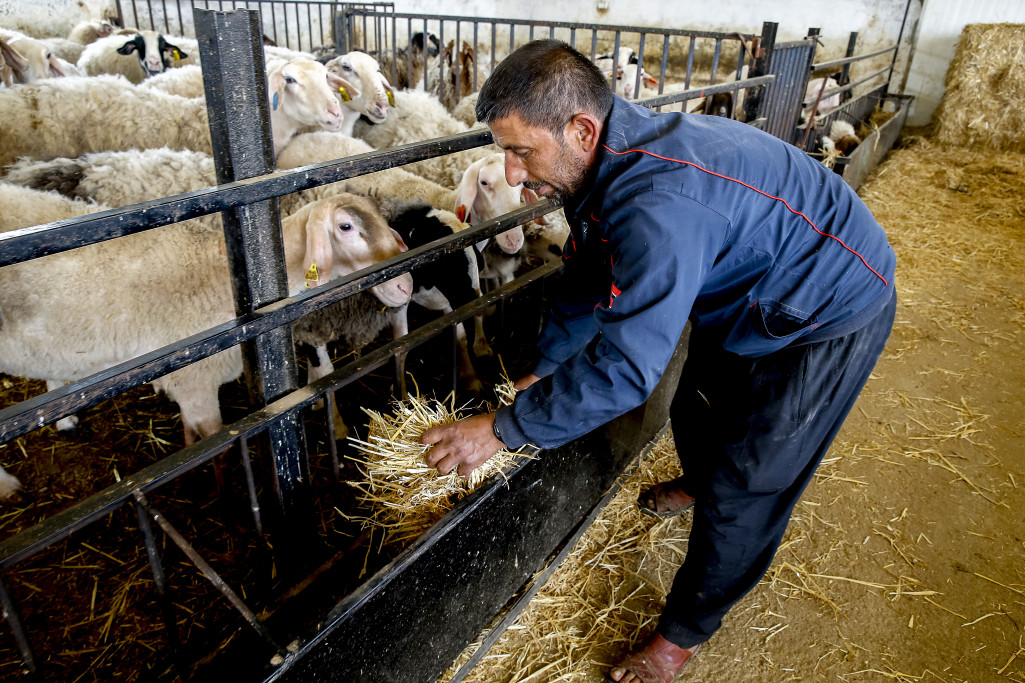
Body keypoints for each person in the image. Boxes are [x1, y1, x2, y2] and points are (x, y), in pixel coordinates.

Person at [420, 39, 896, 683]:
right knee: (698, 404)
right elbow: (589, 274)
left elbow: (625, 371)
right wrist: (541, 373)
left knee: (751, 477)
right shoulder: (602, 164)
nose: (510, 174)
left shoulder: (658, 203)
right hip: (744, 288)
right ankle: (699, 478)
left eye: (519, 150)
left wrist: (505, 430)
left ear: (581, 129)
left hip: (828, 302)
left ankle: (680, 638)